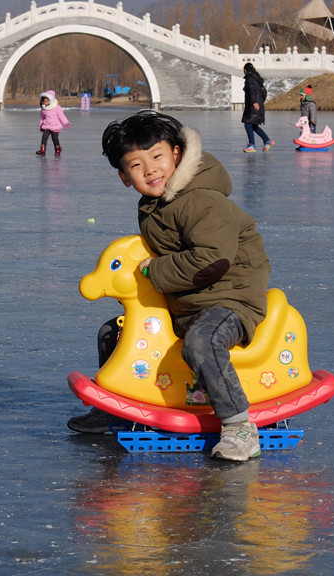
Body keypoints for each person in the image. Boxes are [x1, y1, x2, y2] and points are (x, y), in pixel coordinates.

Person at [68, 110, 272, 462]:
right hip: (186, 302)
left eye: (157, 156)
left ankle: (239, 426)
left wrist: (155, 272)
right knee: (114, 333)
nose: (150, 169)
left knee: (202, 342)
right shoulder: (155, 205)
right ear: (123, 176)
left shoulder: (202, 200)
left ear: (177, 153)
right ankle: (118, 406)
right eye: (136, 165)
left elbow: (213, 260)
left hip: (230, 299)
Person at [241, 63, 274, 153]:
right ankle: (267, 140)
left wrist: (255, 102)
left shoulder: (249, 78)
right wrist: (260, 102)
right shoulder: (257, 79)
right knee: (254, 125)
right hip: (258, 104)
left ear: (245, 70)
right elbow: (264, 92)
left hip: (253, 104)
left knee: (248, 124)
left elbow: (251, 90)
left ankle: (252, 145)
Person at [35, 90, 70, 156]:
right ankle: (42, 149)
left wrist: (66, 123)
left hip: (55, 126)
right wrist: (41, 124)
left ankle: (57, 148)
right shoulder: (43, 108)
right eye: (44, 101)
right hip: (46, 126)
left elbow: (61, 116)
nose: (45, 103)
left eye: (47, 101)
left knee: (55, 139)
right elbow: (42, 117)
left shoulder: (57, 107)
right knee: (44, 137)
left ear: (51, 100)